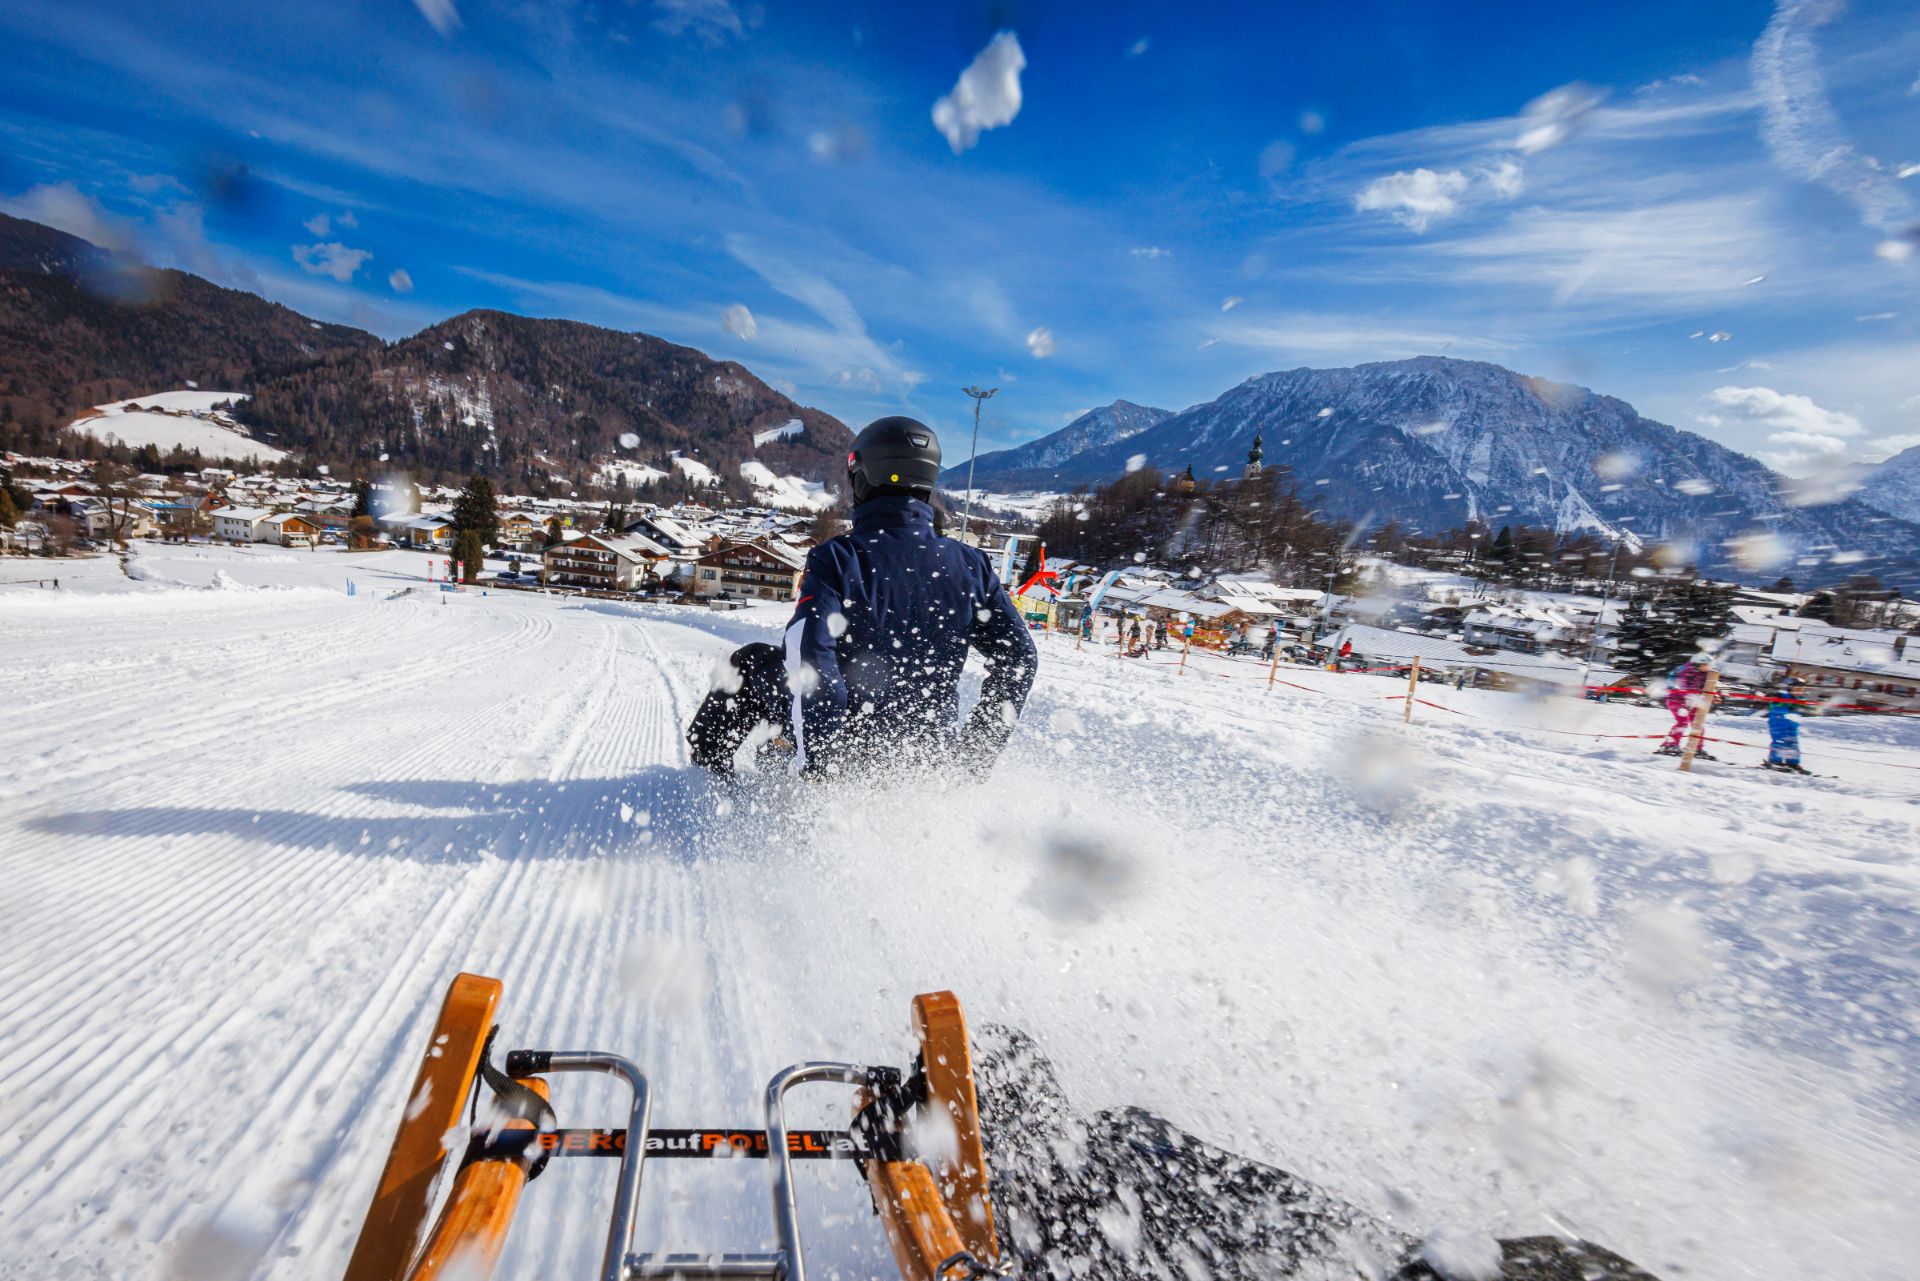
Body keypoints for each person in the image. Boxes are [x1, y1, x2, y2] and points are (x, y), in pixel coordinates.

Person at [687, 416, 1038, 778]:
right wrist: (972, 761)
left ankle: (707, 772)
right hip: (927, 754)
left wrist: (822, 765)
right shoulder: (971, 565)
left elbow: (809, 653)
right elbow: (1020, 658)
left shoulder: (839, 558)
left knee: (753, 661)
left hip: (846, 750)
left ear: (864, 479)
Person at [1656, 651, 1716, 758]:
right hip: (1676, 700)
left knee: (1698, 723)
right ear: (1698, 664)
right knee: (1682, 722)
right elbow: (1682, 686)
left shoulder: (1705, 674)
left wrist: (1714, 695)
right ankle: (1669, 746)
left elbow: (1708, 687)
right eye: (1706, 665)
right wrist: (1693, 694)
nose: (1709, 668)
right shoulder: (1684, 671)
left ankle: (1695, 749)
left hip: (1692, 701)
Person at [1764, 676, 1811, 775]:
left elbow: (1804, 709)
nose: (1799, 691)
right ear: (1788, 688)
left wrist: (1808, 709)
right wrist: (1789, 709)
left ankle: (1792, 762)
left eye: (1802, 689)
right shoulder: (1781, 696)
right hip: (1778, 722)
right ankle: (1775, 761)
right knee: (1780, 742)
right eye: (1797, 689)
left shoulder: (1800, 699)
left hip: (1792, 723)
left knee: (1793, 743)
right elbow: (1774, 707)